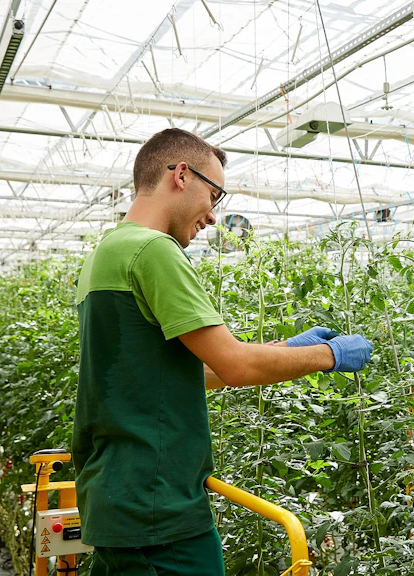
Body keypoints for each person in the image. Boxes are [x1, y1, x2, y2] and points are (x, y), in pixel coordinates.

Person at [71, 128, 373, 576]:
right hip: (159, 509)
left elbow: (167, 372)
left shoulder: (107, 252)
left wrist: (286, 348)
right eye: (214, 195)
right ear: (180, 175)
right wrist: (330, 356)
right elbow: (234, 366)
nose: (213, 216)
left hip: (116, 497)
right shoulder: (153, 250)